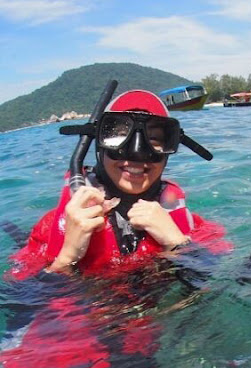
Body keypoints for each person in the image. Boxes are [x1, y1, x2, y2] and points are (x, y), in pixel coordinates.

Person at [2, 88, 232, 367]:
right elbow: (17, 308)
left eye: (156, 140)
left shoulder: (191, 227)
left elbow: (222, 283)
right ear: (98, 143)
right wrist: (65, 258)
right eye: (118, 135)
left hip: (159, 337)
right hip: (81, 338)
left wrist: (178, 244)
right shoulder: (52, 227)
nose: (137, 155)